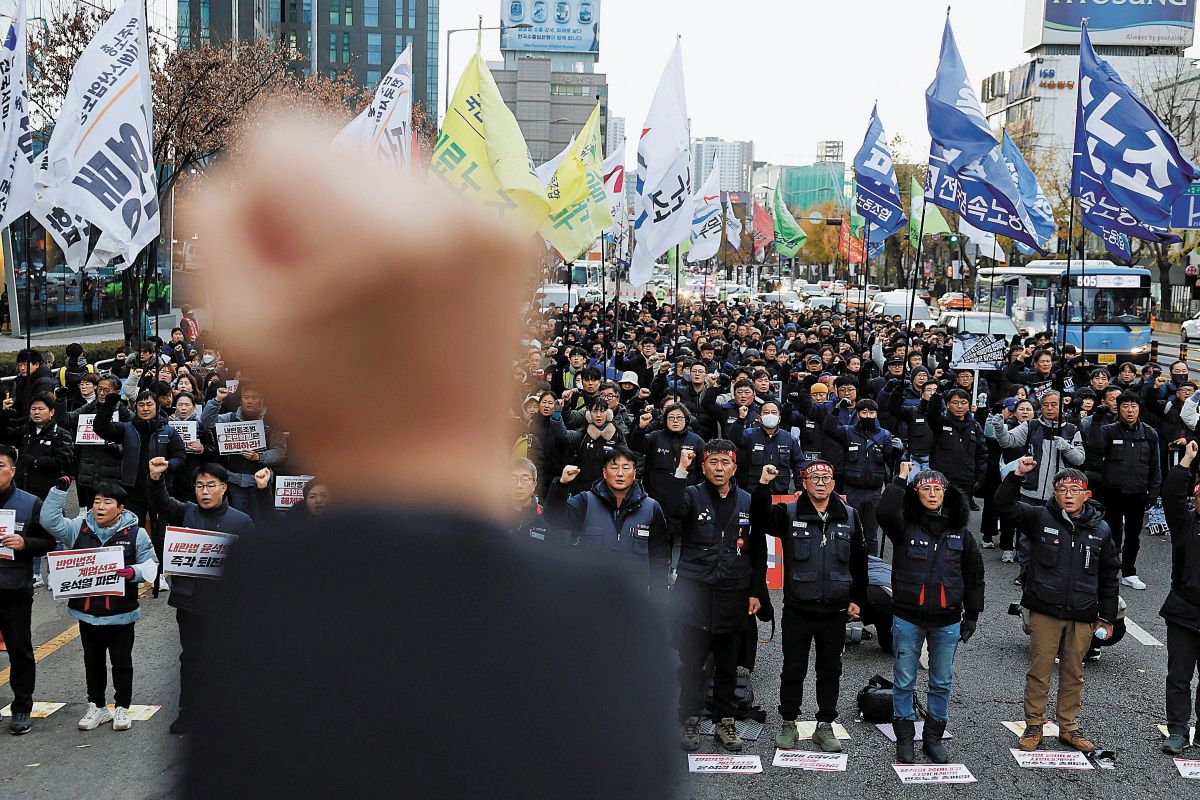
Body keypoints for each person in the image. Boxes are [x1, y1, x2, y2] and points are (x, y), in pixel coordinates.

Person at [996, 461, 1119, 754]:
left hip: (1083, 612)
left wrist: (1107, 617)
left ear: (1086, 495)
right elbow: (1003, 505)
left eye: (1074, 489)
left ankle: (1069, 728)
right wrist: (1016, 476)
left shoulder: (1100, 529)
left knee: (1074, 672)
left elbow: (1109, 575)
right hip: (1045, 610)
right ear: (1054, 494)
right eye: (1061, 489)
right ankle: (1034, 725)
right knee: (1039, 671)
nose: (1068, 494)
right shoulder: (1040, 517)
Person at [658, 439, 766, 754]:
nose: (719, 468)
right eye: (713, 462)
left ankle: (726, 722)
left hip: (733, 592)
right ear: (703, 466)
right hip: (695, 591)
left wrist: (757, 592)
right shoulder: (691, 494)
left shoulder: (747, 500)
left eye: (725, 463)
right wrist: (680, 470)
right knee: (691, 662)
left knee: (728, 664)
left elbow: (758, 549)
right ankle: (690, 718)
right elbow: (672, 512)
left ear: (734, 467)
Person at [754, 460, 867, 753]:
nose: (820, 482)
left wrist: (857, 599)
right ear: (803, 483)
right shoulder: (789, 513)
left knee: (830, 670)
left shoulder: (850, 516)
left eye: (826, 478)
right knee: (793, 669)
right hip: (798, 609)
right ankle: (789, 722)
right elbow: (760, 517)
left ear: (833, 484)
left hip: (835, 610)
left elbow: (860, 561)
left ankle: (825, 725)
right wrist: (763, 485)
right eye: (813, 477)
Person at [877, 462, 984, 764]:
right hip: (908, 617)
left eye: (938, 489)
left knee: (941, 681)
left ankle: (933, 738)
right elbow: (884, 512)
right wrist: (899, 478)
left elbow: (974, 573)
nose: (933, 493)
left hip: (947, 620)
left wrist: (972, 614)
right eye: (926, 488)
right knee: (904, 679)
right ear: (916, 492)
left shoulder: (960, 531)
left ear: (946, 494)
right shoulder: (904, 525)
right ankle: (905, 738)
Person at [39, 478, 159, 732]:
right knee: (92, 662)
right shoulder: (78, 528)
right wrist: (59, 490)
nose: (100, 507)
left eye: (107, 502)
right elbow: (49, 522)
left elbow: (151, 566)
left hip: (122, 614)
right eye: (96, 501)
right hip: (87, 613)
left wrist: (132, 572)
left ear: (121, 508)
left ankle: (122, 708)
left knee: (122, 662)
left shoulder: (136, 533)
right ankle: (97, 706)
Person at [147, 457, 255, 734]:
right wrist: (156, 479)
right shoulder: (188, 513)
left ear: (224, 488)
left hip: (226, 605)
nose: (204, 491)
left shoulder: (241, 522)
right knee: (192, 657)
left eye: (211, 485)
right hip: (190, 603)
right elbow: (162, 504)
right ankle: (189, 710)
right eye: (199, 486)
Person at [542, 446, 666, 578]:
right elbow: (554, 518)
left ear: (634, 473)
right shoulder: (585, 501)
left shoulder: (651, 508)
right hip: (591, 590)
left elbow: (659, 559)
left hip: (634, 594)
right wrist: (562, 485)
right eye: (614, 467)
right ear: (604, 472)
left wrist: (658, 594)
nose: (620, 473)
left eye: (626, 468)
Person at [0, 445, 55, 735]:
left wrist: (25, 545)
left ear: (13, 470)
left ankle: (21, 708)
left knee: (19, 651)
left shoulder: (30, 503)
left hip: (14, 590)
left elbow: (49, 542)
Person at [1159, 440, 1200, 756]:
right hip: (1184, 611)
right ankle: (1177, 731)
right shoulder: (1185, 524)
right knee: (1179, 677)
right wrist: (1186, 460)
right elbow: (1172, 496)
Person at [1099, 392, 1161, 590]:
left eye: (1133, 406)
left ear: (1139, 408)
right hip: (1112, 491)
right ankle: (1109, 570)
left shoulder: (1149, 433)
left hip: (1138, 492)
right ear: (1118, 408)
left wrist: (1153, 491)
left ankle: (1129, 572)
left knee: (1133, 535)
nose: (1130, 410)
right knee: (1111, 533)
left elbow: (1155, 465)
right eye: (1125, 406)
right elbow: (1097, 460)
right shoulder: (1108, 431)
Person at [199, 384, 288, 518]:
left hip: (261, 483)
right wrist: (217, 400)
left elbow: (279, 452)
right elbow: (207, 422)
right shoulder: (231, 418)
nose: (250, 401)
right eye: (246, 397)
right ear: (241, 400)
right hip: (235, 482)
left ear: (261, 400)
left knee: (263, 520)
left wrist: (259, 456)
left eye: (254, 397)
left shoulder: (271, 422)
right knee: (241, 520)